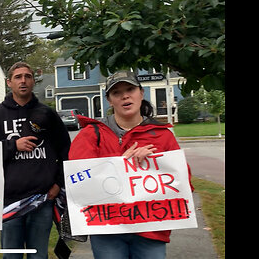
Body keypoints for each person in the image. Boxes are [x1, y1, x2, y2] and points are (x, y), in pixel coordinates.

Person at [68, 70, 194, 259]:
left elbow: (184, 183)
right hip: (107, 230)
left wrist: (155, 162)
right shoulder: (91, 134)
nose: (125, 96)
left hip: (151, 231)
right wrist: (119, 164)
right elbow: (77, 181)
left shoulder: (162, 135)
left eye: (130, 89)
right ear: (109, 100)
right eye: (116, 93)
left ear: (141, 94)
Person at [0, 62, 71, 259]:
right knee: (11, 256)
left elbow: (66, 150)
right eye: (18, 77)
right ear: (9, 83)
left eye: (28, 76)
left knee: (38, 255)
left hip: (42, 200)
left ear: (33, 81)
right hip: (9, 201)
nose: (23, 81)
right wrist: (14, 145)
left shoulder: (47, 113)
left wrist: (58, 183)